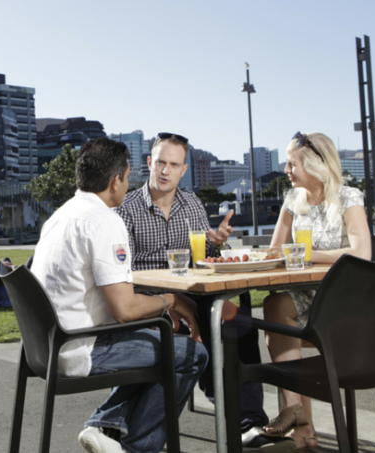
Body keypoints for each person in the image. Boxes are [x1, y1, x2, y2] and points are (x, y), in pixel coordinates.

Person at [115, 132, 290, 451]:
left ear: (183, 170)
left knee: (237, 322)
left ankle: (248, 421)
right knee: (206, 330)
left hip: (193, 295)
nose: (166, 170)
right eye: (162, 163)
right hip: (154, 300)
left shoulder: (192, 203)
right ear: (150, 163)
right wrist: (163, 302)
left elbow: (201, 254)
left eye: (175, 164)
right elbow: (120, 274)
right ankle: (233, 415)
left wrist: (217, 241)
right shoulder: (126, 209)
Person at [32, 137, 208, 453]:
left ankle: (106, 426)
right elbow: (124, 310)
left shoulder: (59, 217)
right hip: (81, 349)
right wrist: (172, 300)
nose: (128, 185)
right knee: (192, 355)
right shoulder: (104, 222)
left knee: (155, 339)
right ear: (115, 181)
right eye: (127, 178)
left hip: (44, 347)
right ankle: (135, 447)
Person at [260, 132, 371, 452]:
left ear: (313, 164)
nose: (286, 169)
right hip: (304, 297)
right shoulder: (293, 199)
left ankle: (303, 432)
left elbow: (361, 252)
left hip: (342, 301)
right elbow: (275, 251)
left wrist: (306, 255)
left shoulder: (348, 197)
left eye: (292, 163)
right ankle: (297, 414)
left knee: (281, 327)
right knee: (275, 306)